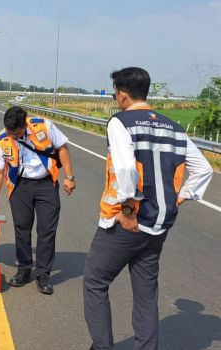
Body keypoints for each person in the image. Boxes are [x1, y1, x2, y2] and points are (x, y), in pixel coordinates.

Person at [83, 67, 213, 350]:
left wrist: (128, 210)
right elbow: (203, 169)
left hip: (127, 223)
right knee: (146, 296)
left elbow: (127, 168)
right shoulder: (174, 128)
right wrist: (178, 198)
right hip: (159, 226)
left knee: (95, 282)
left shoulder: (121, 122)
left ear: (122, 94)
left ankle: (102, 346)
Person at [0, 106, 75, 294]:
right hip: (20, 186)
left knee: (47, 230)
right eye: (10, 133)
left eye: (17, 134)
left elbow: (62, 148)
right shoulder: (1, 139)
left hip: (46, 184)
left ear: (25, 125)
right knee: (22, 228)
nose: (13, 137)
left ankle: (43, 274)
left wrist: (69, 177)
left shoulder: (44, 126)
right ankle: (24, 269)